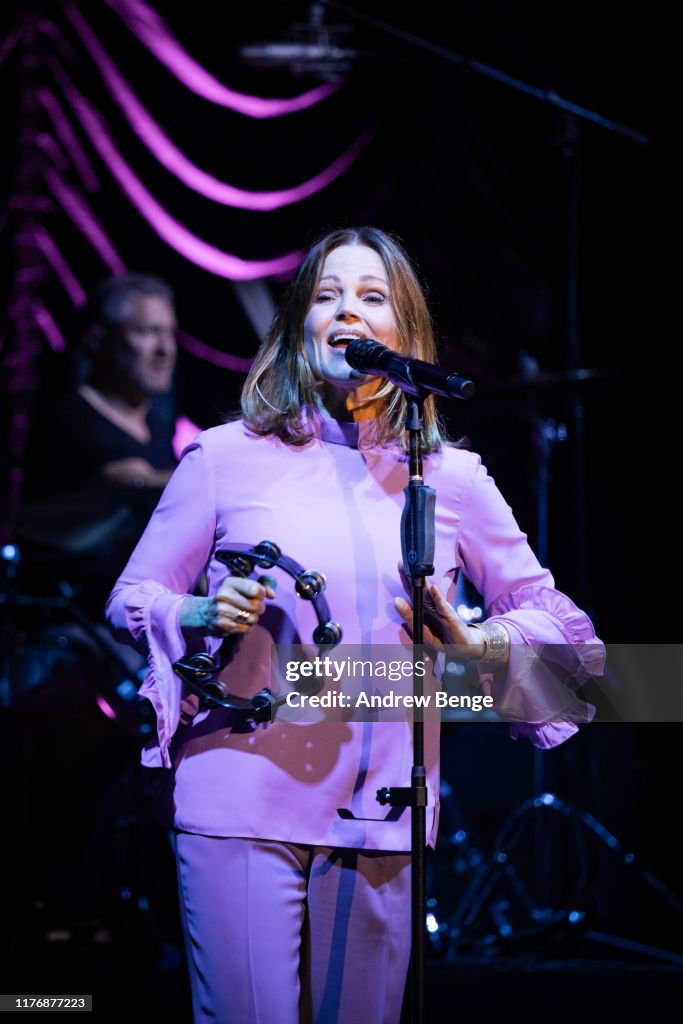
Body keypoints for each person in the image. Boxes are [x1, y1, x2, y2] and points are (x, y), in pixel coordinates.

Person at [106, 227, 605, 1024]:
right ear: (299, 325)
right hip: (238, 796)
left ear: (402, 336)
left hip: (381, 811)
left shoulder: (449, 480)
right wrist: (195, 611)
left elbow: (560, 633)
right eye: (327, 295)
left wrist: (478, 648)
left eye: (372, 297)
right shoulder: (222, 456)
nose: (348, 312)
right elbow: (132, 593)